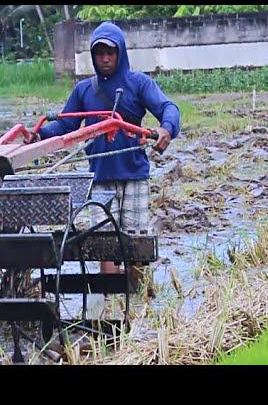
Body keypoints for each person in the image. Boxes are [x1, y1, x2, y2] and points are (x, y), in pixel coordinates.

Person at [28, 21, 181, 284]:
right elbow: (65, 125)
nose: (105, 59)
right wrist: (38, 135)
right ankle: (109, 297)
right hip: (99, 178)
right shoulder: (84, 90)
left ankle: (135, 293)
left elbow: (168, 107)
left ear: (120, 53)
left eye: (110, 53)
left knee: (135, 242)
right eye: (100, 54)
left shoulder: (139, 83)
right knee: (104, 242)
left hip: (134, 175)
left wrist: (167, 128)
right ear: (93, 56)